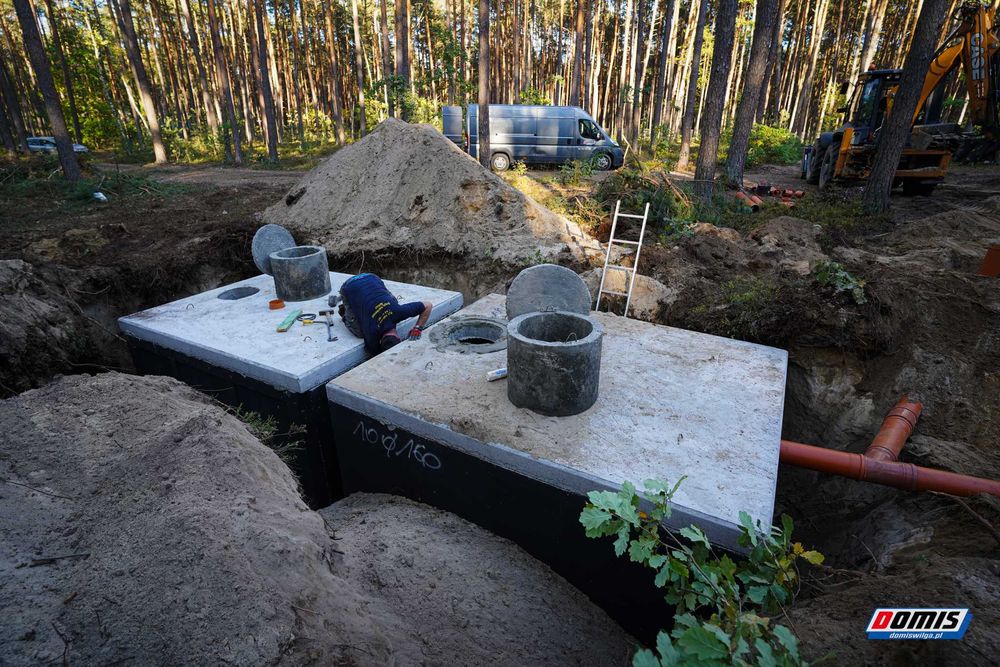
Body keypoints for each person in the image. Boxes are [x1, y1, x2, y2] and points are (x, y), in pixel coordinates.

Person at [339, 273, 433, 355]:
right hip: (349, 286)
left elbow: (428, 305)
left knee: (393, 303)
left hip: (371, 278)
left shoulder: (399, 312)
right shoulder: (370, 332)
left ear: (399, 338)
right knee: (359, 332)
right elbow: (371, 353)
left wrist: (418, 328)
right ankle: (345, 313)